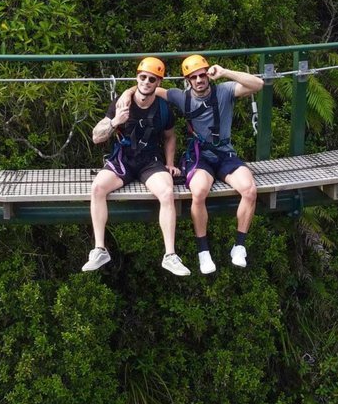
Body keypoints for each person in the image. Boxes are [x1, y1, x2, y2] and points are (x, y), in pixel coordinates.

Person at [121, 54, 264, 274]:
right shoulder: (181, 96)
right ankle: (203, 252)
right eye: (193, 77)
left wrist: (225, 71)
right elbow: (146, 88)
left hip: (225, 153)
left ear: (208, 75)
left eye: (202, 75)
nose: (199, 80)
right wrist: (126, 93)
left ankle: (239, 246)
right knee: (199, 191)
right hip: (199, 156)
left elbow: (258, 84)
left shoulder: (224, 91)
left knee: (249, 189)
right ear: (187, 80)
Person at [81, 57, 190, 276]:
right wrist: (115, 122)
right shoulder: (122, 104)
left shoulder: (163, 109)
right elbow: (96, 137)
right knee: (97, 188)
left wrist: (169, 163)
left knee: (168, 193)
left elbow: (170, 137)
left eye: (152, 79)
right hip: (124, 159)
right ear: (136, 78)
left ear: (158, 83)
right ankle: (100, 249)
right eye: (142, 77)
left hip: (150, 161)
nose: (146, 82)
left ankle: (170, 255)